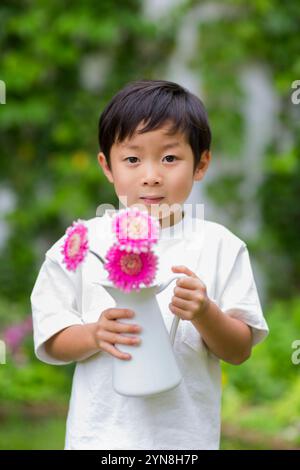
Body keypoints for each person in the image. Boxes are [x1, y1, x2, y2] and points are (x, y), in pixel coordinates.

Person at [30, 79, 269, 450]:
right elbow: (52, 337)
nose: (152, 175)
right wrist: (94, 334)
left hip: (185, 443)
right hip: (99, 440)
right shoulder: (81, 244)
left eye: (170, 158)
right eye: (132, 159)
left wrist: (205, 312)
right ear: (107, 166)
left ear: (201, 163)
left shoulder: (221, 246)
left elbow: (239, 350)